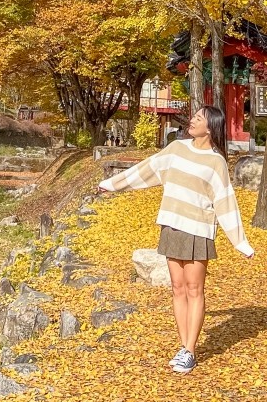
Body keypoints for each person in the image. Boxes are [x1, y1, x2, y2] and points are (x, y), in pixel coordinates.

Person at [97, 104, 254, 375]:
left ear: (210, 126)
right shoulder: (176, 149)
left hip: (198, 231)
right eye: (193, 117)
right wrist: (112, 184)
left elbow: (225, 201)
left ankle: (190, 351)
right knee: (178, 290)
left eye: (198, 118)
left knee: (195, 290)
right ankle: (184, 347)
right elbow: (147, 170)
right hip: (172, 226)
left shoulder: (216, 162)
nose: (192, 121)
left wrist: (239, 241)